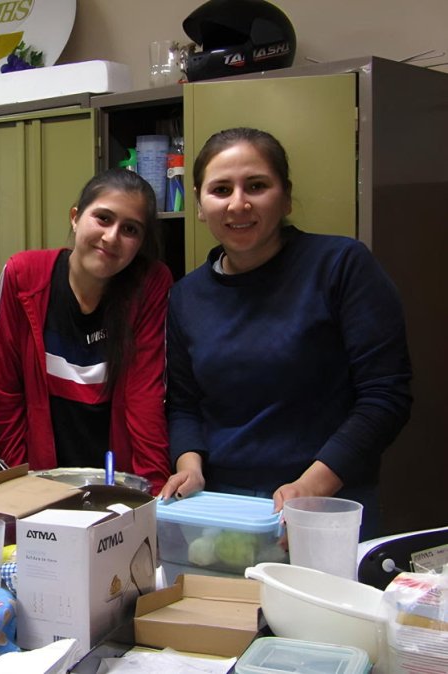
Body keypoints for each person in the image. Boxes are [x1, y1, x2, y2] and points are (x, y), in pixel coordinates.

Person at [159, 127, 412, 539]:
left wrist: (310, 490)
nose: (238, 203)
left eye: (256, 186)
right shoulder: (186, 297)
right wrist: (190, 468)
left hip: (327, 502)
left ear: (286, 196)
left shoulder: (341, 266)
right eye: (220, 189)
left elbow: (385, 396)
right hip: (226, 510)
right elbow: (185, 406)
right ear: (201, 206)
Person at [0, 168, 173, 494]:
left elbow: (145, 397)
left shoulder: (150, 285)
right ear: (76, 217)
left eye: (130, 229)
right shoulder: (24, 275)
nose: (112, 237)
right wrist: (19, 488)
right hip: (41, 481)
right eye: (103, 218)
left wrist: (153, 495)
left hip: (118, 480)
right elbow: (7, 394)